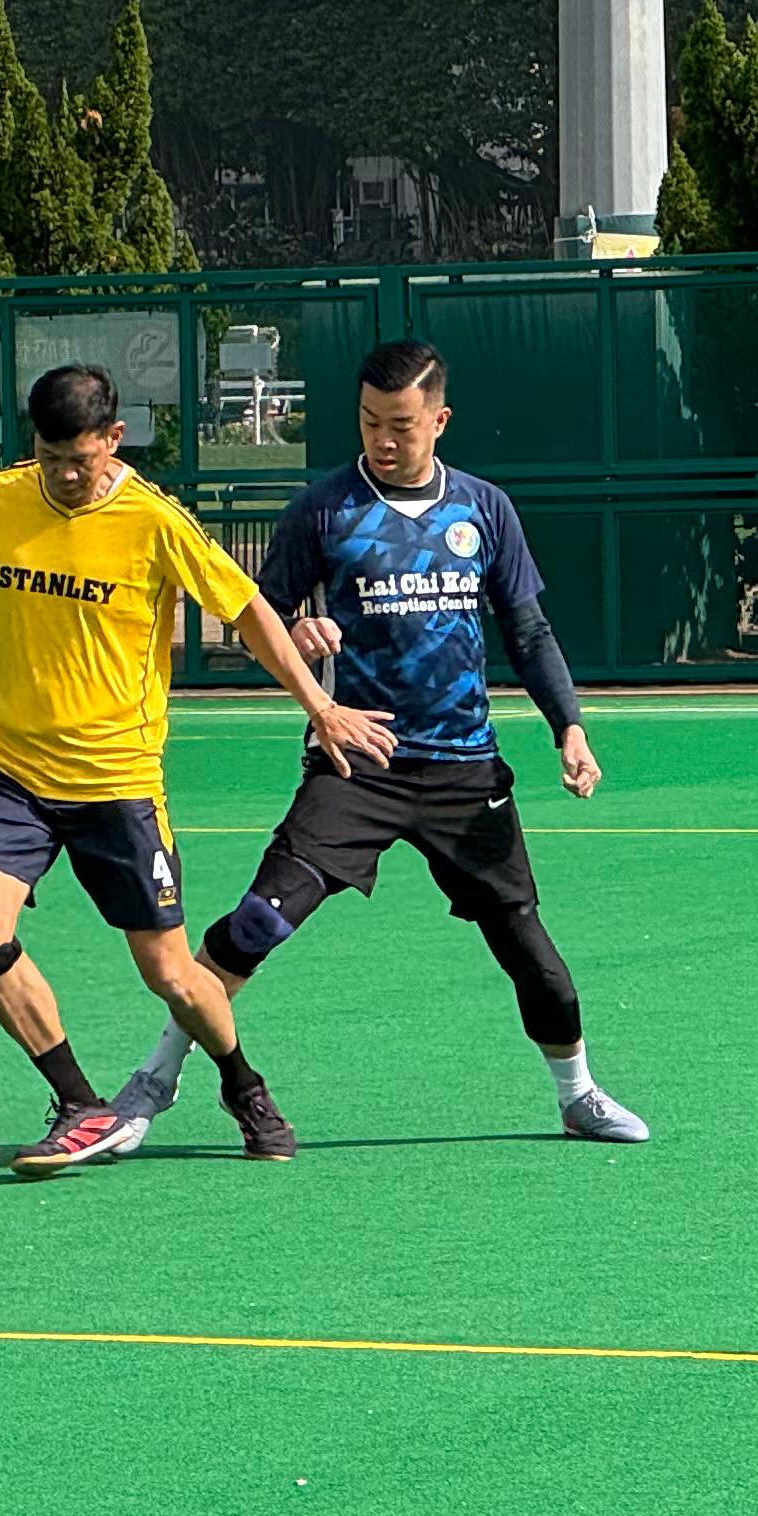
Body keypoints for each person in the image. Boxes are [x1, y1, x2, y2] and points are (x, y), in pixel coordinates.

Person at [0, 362, 394, 1179]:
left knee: (170, 972)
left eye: (80, 458)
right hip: (12, 770)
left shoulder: (154, 520)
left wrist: (319, 704)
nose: (65, 475)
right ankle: (80, 1103)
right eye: (50, 457)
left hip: (116, 782)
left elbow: (247, 610)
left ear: (114, 438)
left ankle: (243, 1085)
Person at [113, 338, 652, 1146]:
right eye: (370, 423)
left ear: (440, 421)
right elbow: (257, 621)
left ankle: (578, 1095)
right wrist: (300, 634)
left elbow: (529, 630)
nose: (383, 440)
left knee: (528, 948)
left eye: (401, 425)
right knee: (259, 922)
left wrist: (568, 728)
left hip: (465, 769)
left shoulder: (483, 509)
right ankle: (155, 1079)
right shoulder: (323, 510)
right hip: (356, 762)